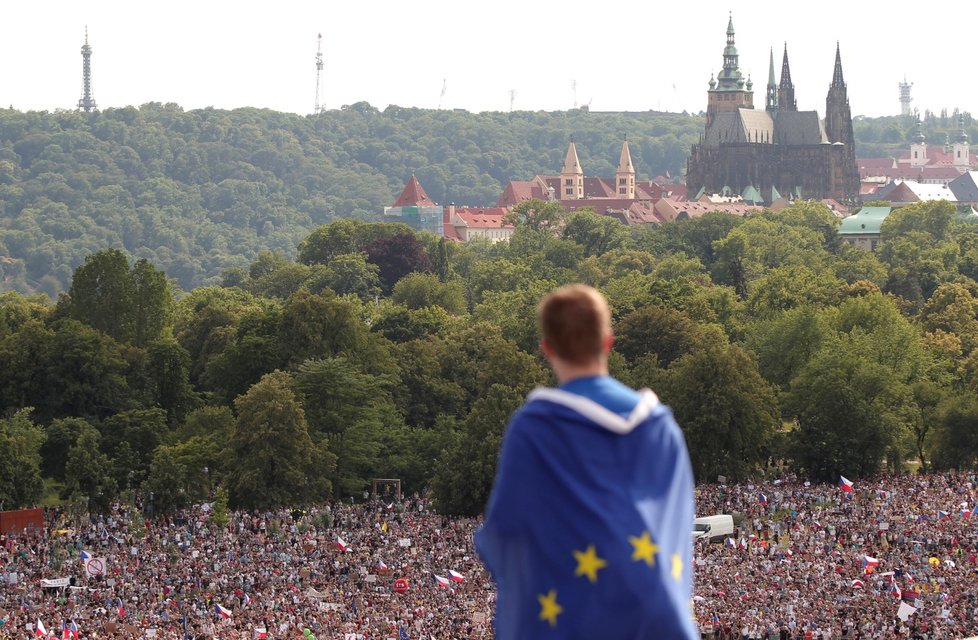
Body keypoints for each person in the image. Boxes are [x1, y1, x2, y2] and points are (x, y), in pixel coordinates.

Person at [476, 284, 698, 639]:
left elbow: (507, 530)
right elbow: (677, 523)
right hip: (658, 617)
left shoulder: (536, 427)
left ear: (547, 348)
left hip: (574, 619)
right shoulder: (660, 425)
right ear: (608, 341)